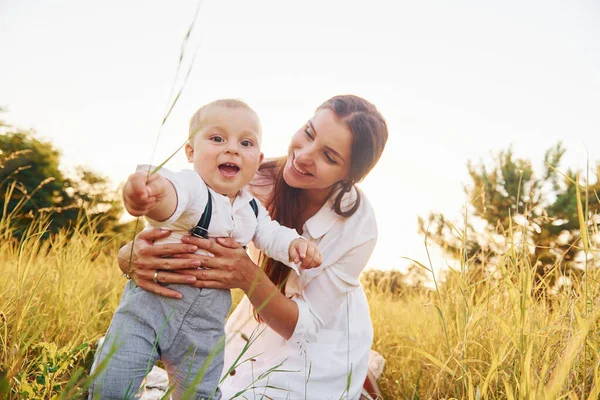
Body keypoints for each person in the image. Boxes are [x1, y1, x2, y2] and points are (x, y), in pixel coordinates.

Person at [116, 94, 388, 399]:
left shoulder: (359, 224)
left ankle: (360, 372)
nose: (304, 155)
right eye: (309, 133)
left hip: (321, 333)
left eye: (329, 156)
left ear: (350, 177)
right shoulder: (246, 174)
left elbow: (305, 329)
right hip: (257, 314)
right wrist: (128, 256)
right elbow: (180, 211)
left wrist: (246, 275)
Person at [90, 99, 322, 400]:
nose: (232, 149)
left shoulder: (252, 208)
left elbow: (271, 235)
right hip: (149, 309)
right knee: (113, 383)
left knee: (199, 392)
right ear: (190, 151)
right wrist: (149, 191)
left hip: (204, 326)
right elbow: (170, 196)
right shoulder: (193, 188)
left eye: (246, 142)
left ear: (258, 158)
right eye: (217, 139)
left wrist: (295, 245)